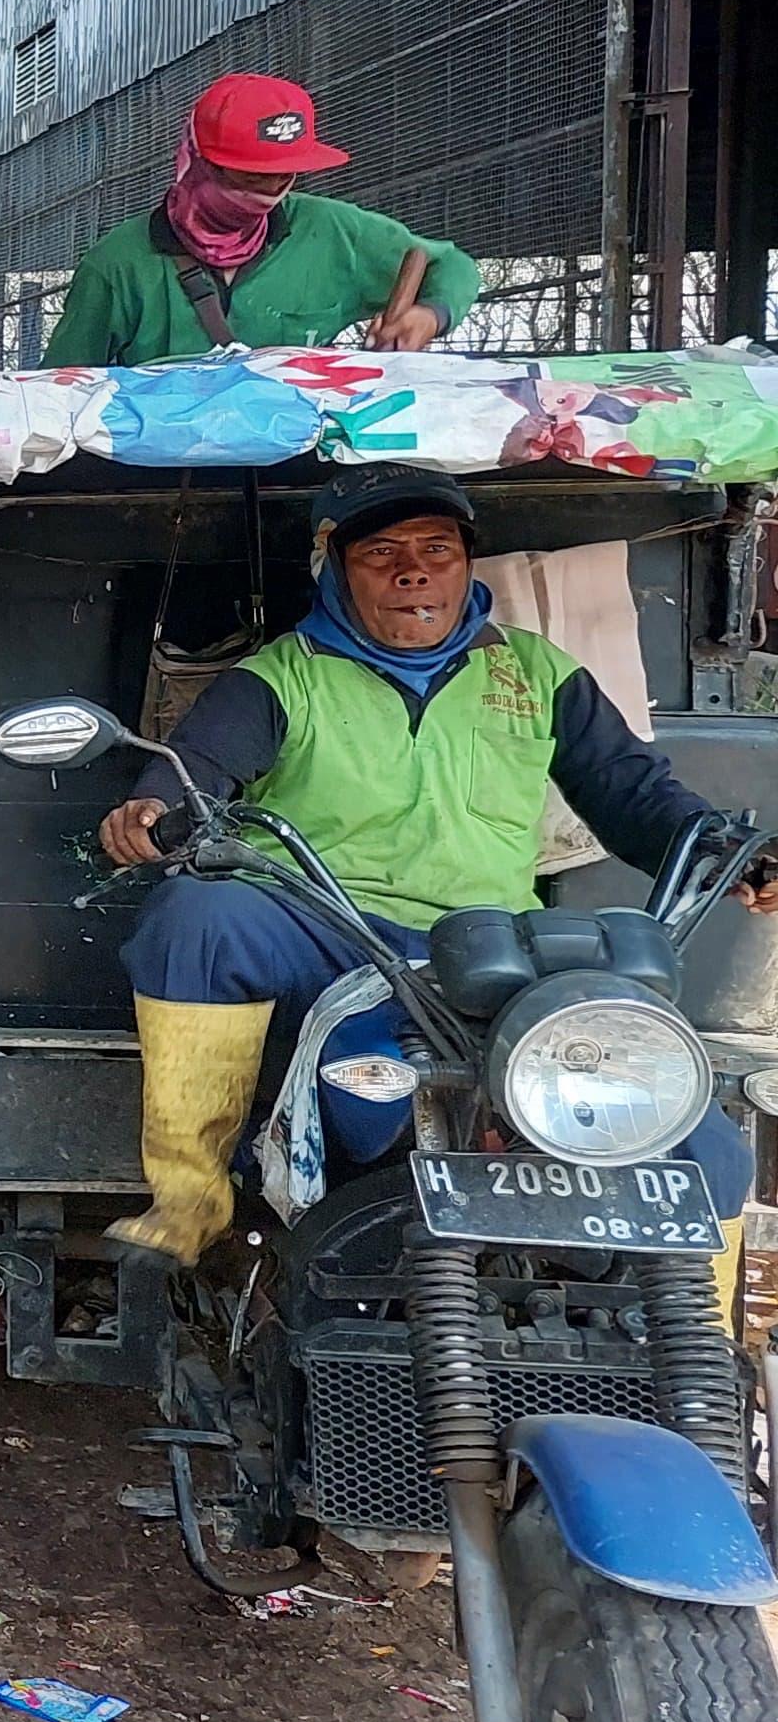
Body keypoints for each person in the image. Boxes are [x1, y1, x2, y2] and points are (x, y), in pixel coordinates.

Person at [99, 466, 775, 1263]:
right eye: (381, 552)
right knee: (197, 918)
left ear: (465, 563)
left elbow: (637, 797)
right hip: (325, 926)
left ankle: (705, 1348)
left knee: (697, 1135)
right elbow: (195, 769)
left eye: (436, 549)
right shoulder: (280, 675)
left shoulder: (537, 671)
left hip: (487, 944)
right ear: (335, 570)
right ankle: (190, 1204)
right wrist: (152, 813)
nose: (412, 570)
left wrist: (733, 858)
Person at [45, 74, 479, 367]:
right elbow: (59, 391)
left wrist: (429, 315)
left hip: (299, 476)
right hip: (158, 484)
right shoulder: (117, 266)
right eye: (251, 175)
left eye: (284, 175)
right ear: (197, 163)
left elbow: (452, 265)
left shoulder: (332, 232)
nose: (270, 191)